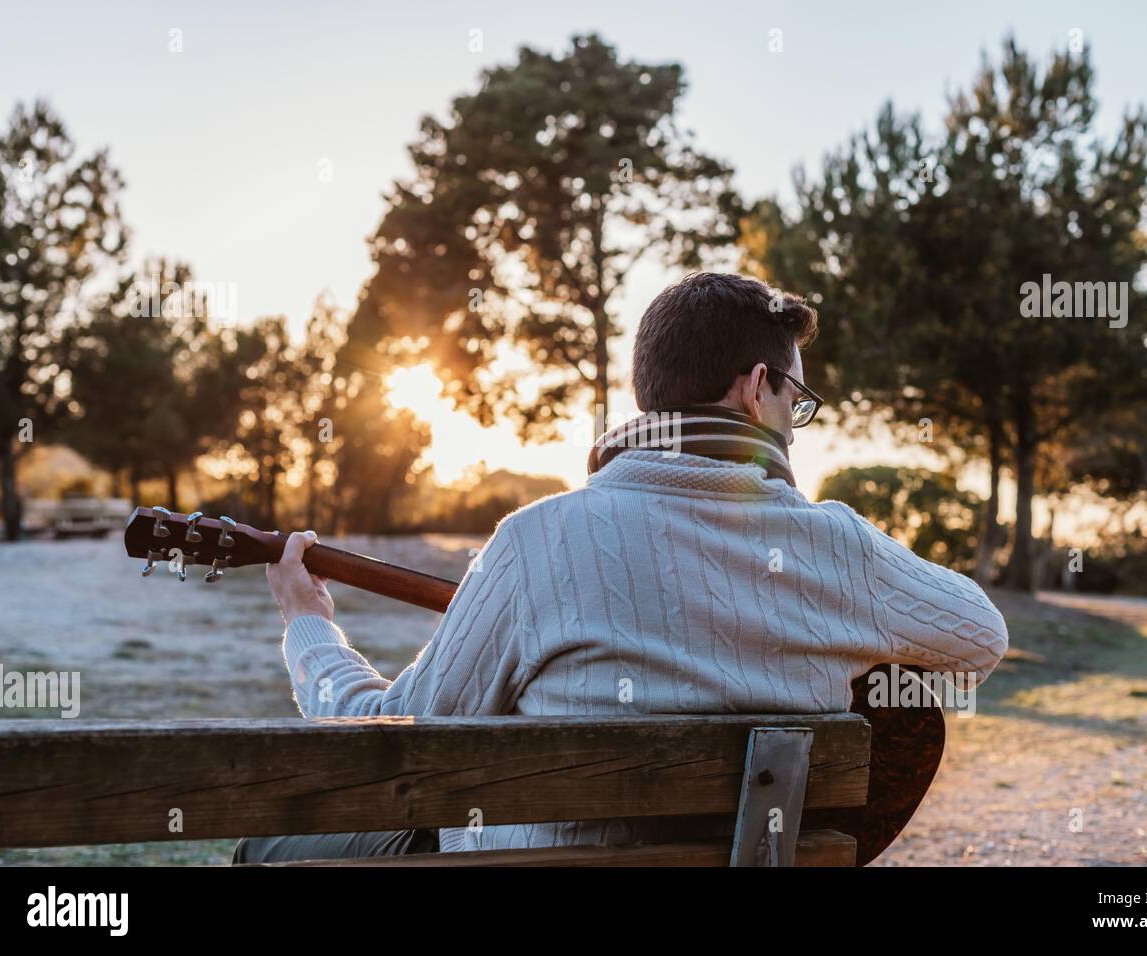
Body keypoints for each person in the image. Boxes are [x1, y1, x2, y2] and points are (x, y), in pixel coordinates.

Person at [233, 271, 1008, 863]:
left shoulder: (536, 541)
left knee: (263, 847)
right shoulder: (837, 548)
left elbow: (383, 754)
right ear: (759, 386)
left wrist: (311, 628)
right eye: (795, 402)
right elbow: (980, 638)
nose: (795, 432)